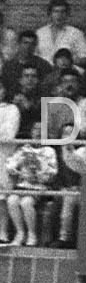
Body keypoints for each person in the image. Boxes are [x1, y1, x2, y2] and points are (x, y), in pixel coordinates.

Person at [6, 121, 58, 246]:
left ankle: (32, 235)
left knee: (26, 202)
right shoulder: (24, 148)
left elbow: (53, 172)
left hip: (39, 187)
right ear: (31, 132)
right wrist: (18, 169)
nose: (38, 132)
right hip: (22, 185)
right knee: (11, 200)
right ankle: (20, 233)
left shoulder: (49, 151)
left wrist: (39, 173)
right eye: (35, 129)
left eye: (41, 130)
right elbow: (10, 166)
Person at [36, 0, 86, 65]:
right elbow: (33, 56)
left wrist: (69, 63)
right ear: (50, 14)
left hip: (67, 71)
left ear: (67, 14)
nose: (59, 15)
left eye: (62, 12)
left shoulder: (76, 33)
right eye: (56, 12)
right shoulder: (40, 33)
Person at [3, 30, 52, 100]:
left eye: (32, 44)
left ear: (36, 46)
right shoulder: (8, 66)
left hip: (37, 103)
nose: (28, 46)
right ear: (19, 44)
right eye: (25, 43)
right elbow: (4, 88)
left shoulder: (44, 65)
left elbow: (47, 89)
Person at [0, 81, 20, 243]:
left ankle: (3, 233)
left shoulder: (12, 109)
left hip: (3, 157)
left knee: (2, 198)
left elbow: (8, 133)